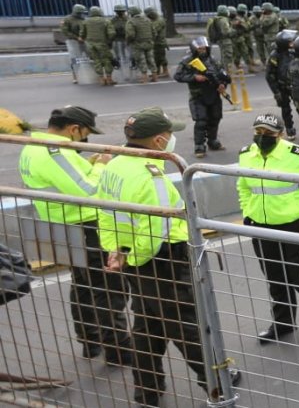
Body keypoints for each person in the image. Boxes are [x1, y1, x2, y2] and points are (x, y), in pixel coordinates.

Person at [95, 107, 242, 407]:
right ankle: (216, 384)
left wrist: (117, 251)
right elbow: (155, 230)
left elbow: (104, 213)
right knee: (187, 324)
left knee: (148, 326)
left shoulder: (114, 165)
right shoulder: (151, 176)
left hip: (132, 260)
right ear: (160, 141)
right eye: (171, 135)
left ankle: (147, 390)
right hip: (163, 261)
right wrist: (136, 256)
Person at [18, 106, 132, 365]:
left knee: (82, 285)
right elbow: (89, 191)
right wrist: (102, 166)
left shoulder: (33, 146)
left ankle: (89, 341)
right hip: (82, 226)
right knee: (108, 288)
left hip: (58, 224)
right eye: (85, 133)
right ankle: (119, 350)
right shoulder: (54, 150)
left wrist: (88, 164)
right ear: (73, 129)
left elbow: (67, 178)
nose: (84, 139)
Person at [236, 114, 299, 350]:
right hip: (262, 228)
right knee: (275, 279)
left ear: (280, 134)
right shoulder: (245, 154)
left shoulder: (297, 156)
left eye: (268, 133)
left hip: (297, 228)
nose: (262, 137)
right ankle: (283, 323)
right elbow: (242, 186)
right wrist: (247, 213)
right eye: (258, 132)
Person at [173, 37, 231, 159]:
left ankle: (213, 141)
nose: (202, 50)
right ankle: (199, 146)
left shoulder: (213, 60)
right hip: (198, 95)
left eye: (204, 48)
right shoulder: (188, 61)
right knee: (201, 121)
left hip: (214, 94)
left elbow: (222, 74)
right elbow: (178, 76)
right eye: (200, 49)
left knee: (215, 118)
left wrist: (222, 85)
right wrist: (195, 77)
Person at [265, 29, 299, 140]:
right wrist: (276, 92)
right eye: (290, 42)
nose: (292, 43)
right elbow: (269, 75)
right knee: (285, 109)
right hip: (282, 87)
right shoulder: (275, 56)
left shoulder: (292, 52)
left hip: (295, 85)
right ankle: (290, 130)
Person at [82, 5, 116, 85]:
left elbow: (82, 34)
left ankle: (101, 79)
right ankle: (109, 79)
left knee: (96, 61)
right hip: (103, 44)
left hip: (90, 45)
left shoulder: (85, 21)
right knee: (107, 60)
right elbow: (111, 33)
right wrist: (109, 41)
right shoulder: (106, 21)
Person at [62, 3, 88, 82]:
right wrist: (76, 37)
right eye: (80, 13)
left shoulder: (83, 19)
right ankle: (75, 76)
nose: (82, 14)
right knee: (75, 60)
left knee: (90, 58)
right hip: (73, 42)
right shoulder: (67, 19)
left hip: (84, 41)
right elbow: (65, 31)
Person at [145, 7, 169, 80]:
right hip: (156, 42)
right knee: (157, 57)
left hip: (159, 42)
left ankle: (165, 72)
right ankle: (157, 72)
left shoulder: (159, 21)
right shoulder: (155, 20)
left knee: (160, 58)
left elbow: (154, 31)